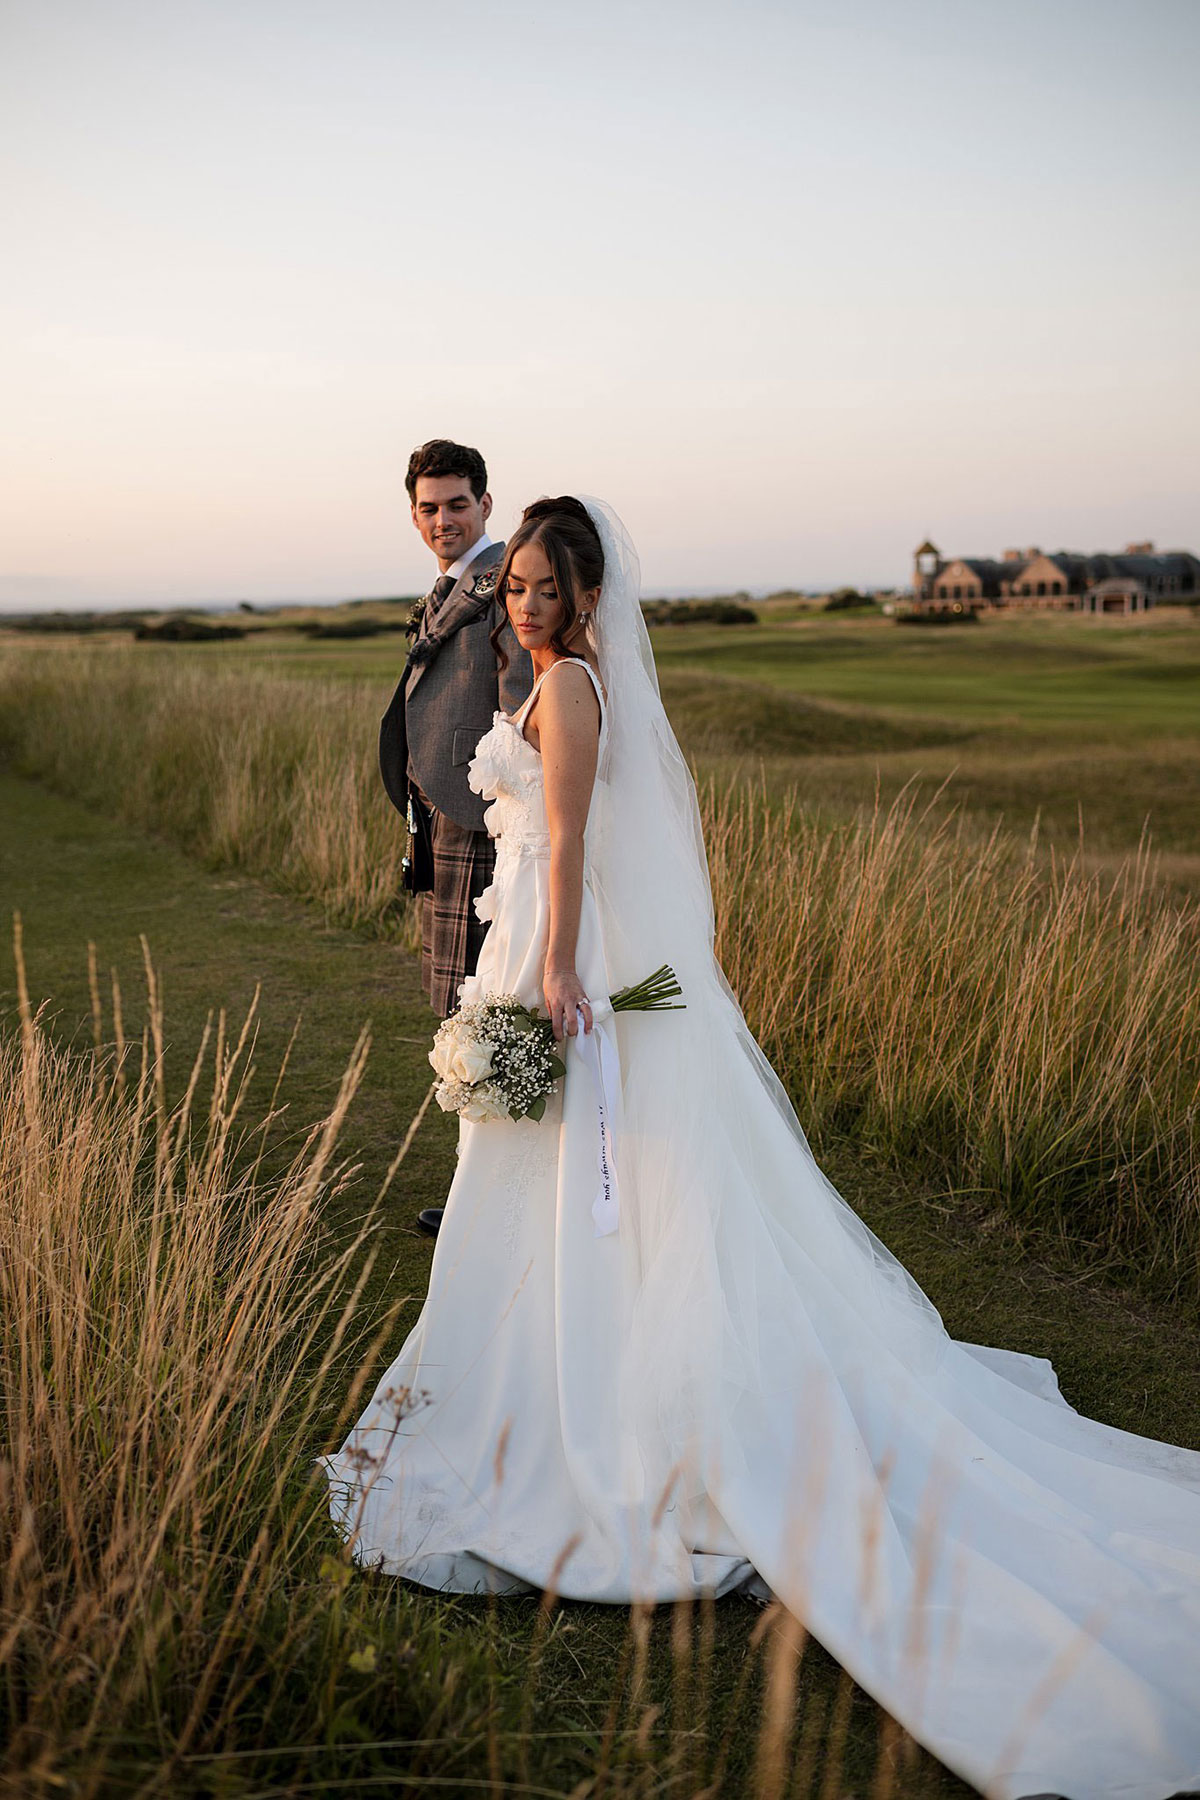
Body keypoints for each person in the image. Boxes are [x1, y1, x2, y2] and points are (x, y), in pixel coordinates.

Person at [327, 497, 1200, 1800]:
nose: (522, 604)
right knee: (583, 1201)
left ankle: (614, 1422)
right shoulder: (571, 679)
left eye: (542, 587)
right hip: (543, 956)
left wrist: (553, 974)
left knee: (590, 1198)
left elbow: (568, 843)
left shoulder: (566, 692)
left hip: (562, 967)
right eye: (512, 585)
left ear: (583, 594)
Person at [378, 439, 533, 1235]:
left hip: (483, 824)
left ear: (486, 506)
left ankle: (498, 1201)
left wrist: (512, 822)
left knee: (484, 1009)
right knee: (461, 1010)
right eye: (429, 507)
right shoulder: (450, 585)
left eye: (458, 504)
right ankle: (486, 1191)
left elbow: (522, 708)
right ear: (414, 513)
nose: (443, 518)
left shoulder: (503, 580)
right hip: (443, 822)